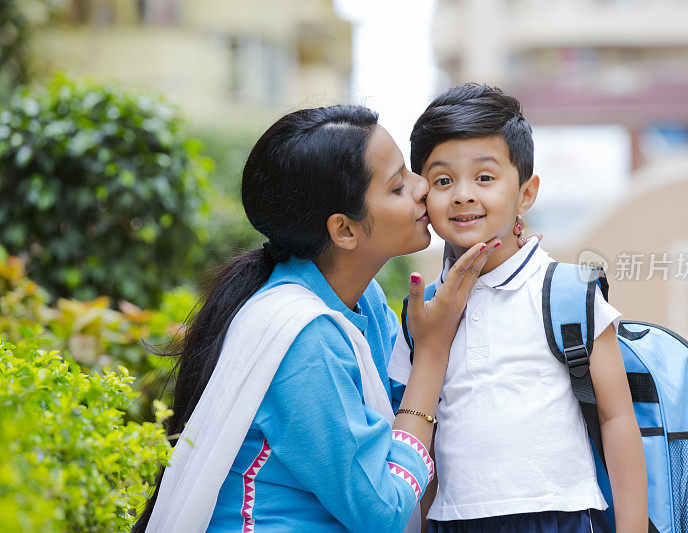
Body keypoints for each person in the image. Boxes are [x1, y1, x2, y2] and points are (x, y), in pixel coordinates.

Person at [133, 104, 509, 533]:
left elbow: (407, 414)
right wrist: (431, 351)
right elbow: (383, 510)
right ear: (344, 230)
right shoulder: (305, 338)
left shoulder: (362, 302)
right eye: (397, 186)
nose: (423, 186)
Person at [389, 84, 648, 533]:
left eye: (485, 177)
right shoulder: (423, 314)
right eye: (443, 180)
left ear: (526, 194)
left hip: (560, 516)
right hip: (454, 521)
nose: (463, 195)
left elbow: (618, 417)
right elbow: (417, 439)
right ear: (423, 198)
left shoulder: (568, 291)